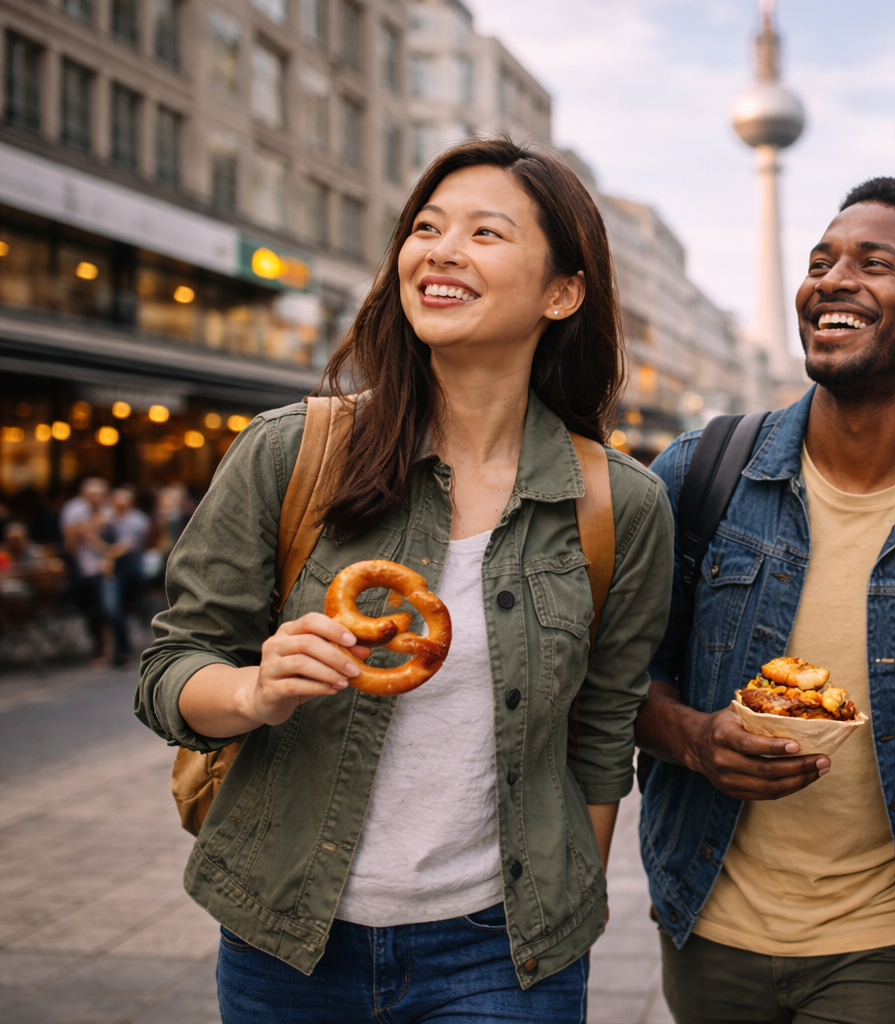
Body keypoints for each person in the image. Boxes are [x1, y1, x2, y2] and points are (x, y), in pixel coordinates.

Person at [136, 138, 673, 1024]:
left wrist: (561, 909)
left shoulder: (619, 507)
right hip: (286, 940)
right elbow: (170, 670)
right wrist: (255, 690)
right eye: (426, 227)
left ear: (562, 292)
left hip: (501, 953)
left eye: (485, 233)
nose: (440, 250)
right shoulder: (290, 452)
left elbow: (603, 730)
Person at [637, 178, 895, 1024]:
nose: (830, 280)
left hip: (894, 942)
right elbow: (621, 687)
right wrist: (699, 741)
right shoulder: (703, 473)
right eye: (821, 261)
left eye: (872, 264)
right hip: (708, 925)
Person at [60, 477, 110, 662]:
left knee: (106, 608)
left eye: (99, 494)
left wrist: (90, 531)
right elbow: (70, 544)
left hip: (106, 567)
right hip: (84, 567)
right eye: (91, 495)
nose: (95, 498)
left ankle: (107, 647)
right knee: (92, 609)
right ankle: (99, 645)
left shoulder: (110, 510)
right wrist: (79, 532)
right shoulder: (74, 509)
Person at [101, 487, 151, 667]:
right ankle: (120, 650)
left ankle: (128, 645)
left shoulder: (138, 520)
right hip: (112, 572)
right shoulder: (106, 519)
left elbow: (127, 545)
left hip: (131, 569)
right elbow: (90, 536)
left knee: (128, 608)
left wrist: (107, 556)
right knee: (113, 610)